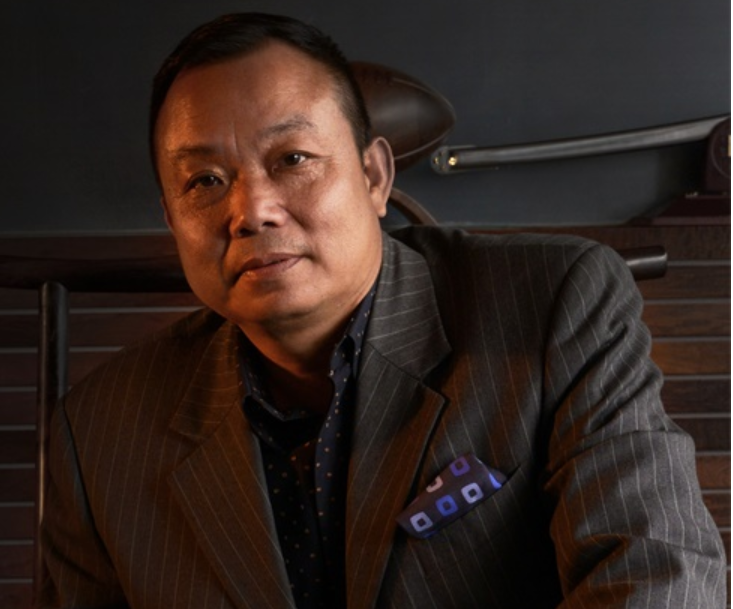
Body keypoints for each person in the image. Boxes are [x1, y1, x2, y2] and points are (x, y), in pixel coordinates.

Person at [40, 12, 725, 609]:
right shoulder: (98, 434)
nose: (252, 210)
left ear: (373, 176)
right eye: (205, 181)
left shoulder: (554, 305)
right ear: (171, 219)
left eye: (293, 158)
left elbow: (659, 574)